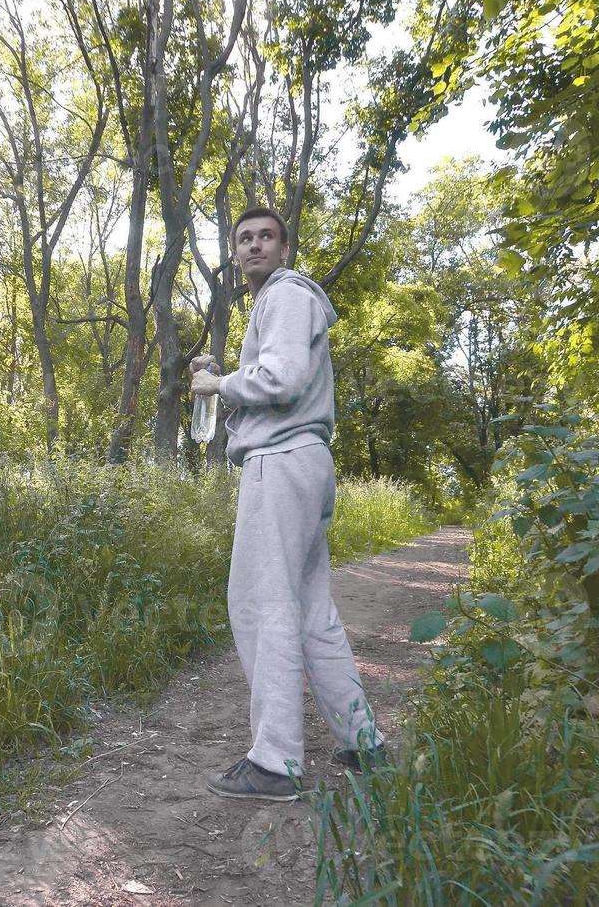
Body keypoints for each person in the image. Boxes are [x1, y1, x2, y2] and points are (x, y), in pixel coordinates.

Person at [190, 206, 386, 802]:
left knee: (260, 604)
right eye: (244, 238)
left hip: (280, 464)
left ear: (283, 247)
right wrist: (227, 381)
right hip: (303, 460)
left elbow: (283, 379)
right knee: (308, 612)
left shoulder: (286, 293)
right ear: (234, 251)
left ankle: (275, 764)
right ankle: (363, 743)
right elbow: (276, 384)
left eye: (265, 237)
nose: (254, 246)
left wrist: (220, 385)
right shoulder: (278, 304)